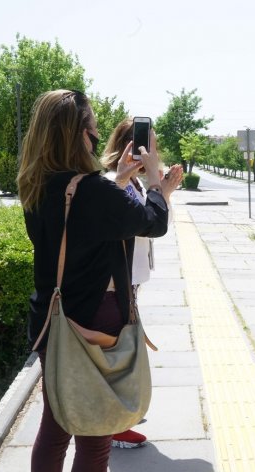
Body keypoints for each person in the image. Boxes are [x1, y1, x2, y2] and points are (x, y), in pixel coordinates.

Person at [17, 89, 175, 472]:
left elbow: (78, 231)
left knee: (54, 430)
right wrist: (155, 177)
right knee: (95, 437)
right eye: (93, 130)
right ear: (79, 135)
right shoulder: (93, 190)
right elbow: (152, 222)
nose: (96, 136)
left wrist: (120, 179)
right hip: (97, 319)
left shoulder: (36, 185)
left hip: (52, 320)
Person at [99, 119, 183, 449]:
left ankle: (120, 415)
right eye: (148, 145)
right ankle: (113, 426)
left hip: (129, 283)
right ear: (128, 146)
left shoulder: (131, 183)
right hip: (115, 284)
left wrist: (164, 191)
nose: (154, 153)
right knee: (121, 353)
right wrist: (155, 184)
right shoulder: (113, 182)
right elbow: (145, 224)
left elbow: (158, 222)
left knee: (125, 350)